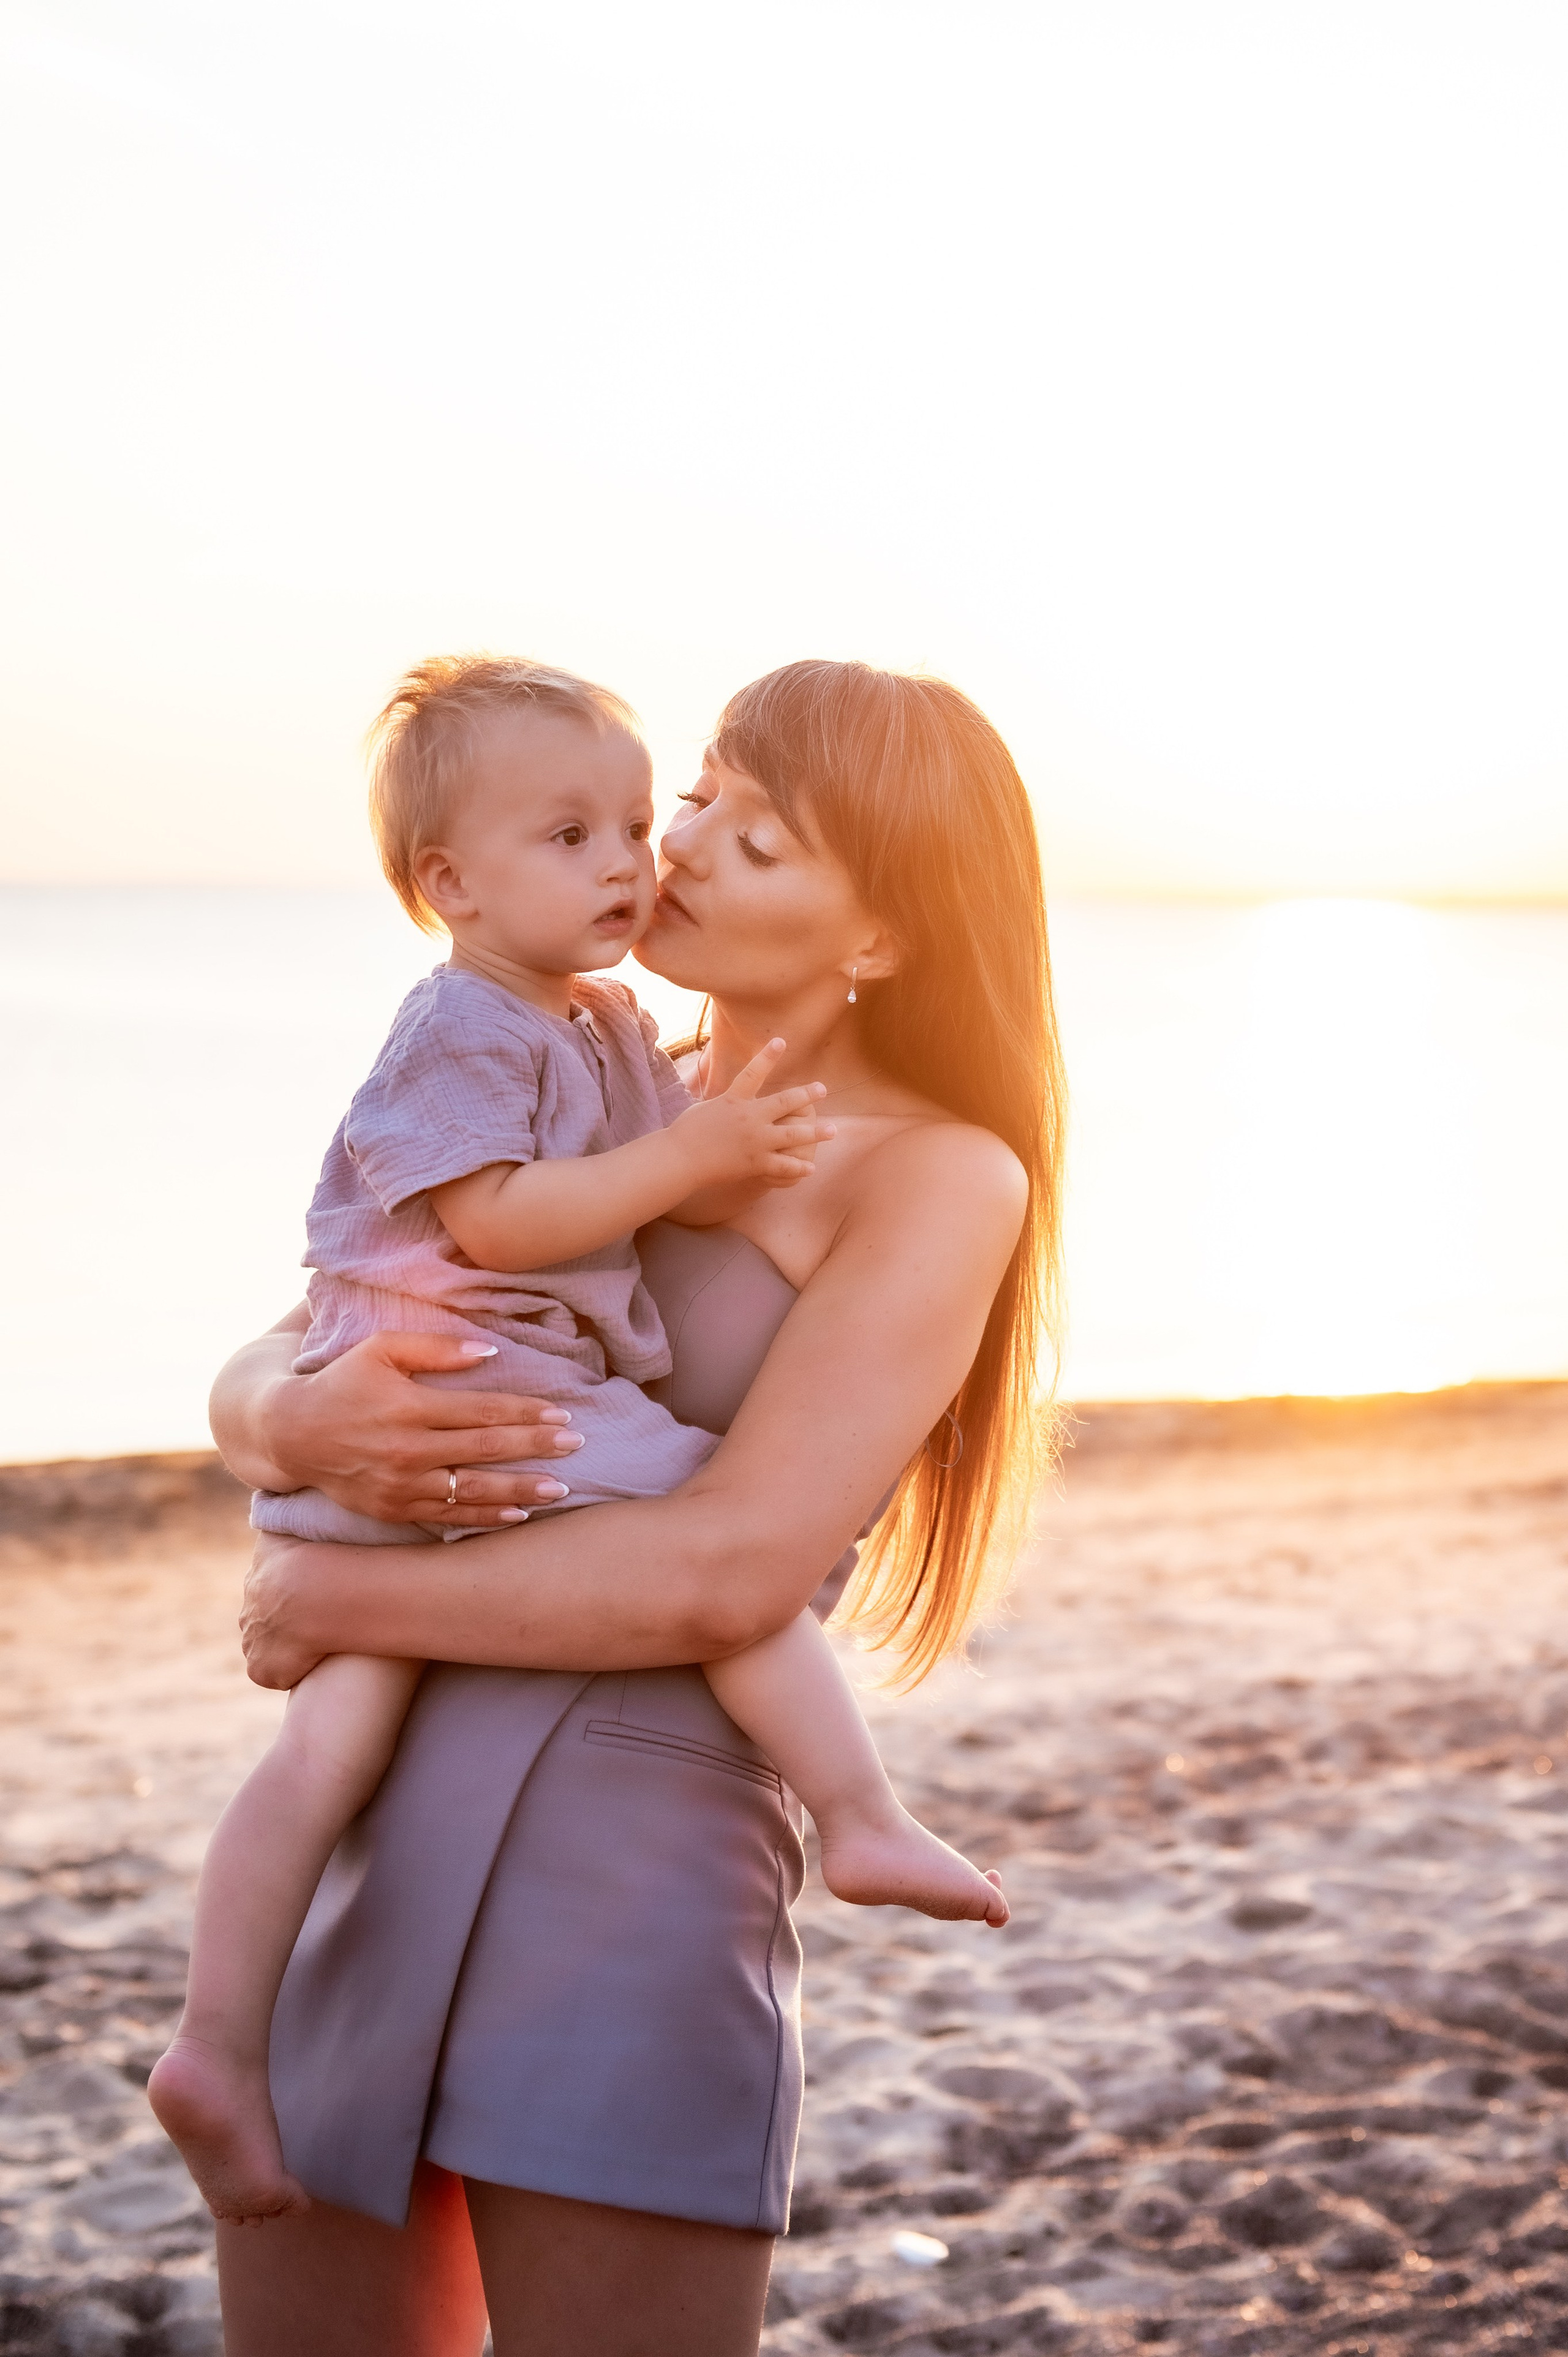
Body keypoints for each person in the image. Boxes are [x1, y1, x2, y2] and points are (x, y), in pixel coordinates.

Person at [209, 658, 1066, 2357]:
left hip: (635, 1864)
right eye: (703, 798)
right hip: (375, 1818)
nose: (682, 848)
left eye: (761, 840)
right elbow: (333, 1314)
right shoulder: (567, 1065)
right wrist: (281, 1417)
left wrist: (332, 1601)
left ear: (879, 936)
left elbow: (726, 1571)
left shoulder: (937, 1175)